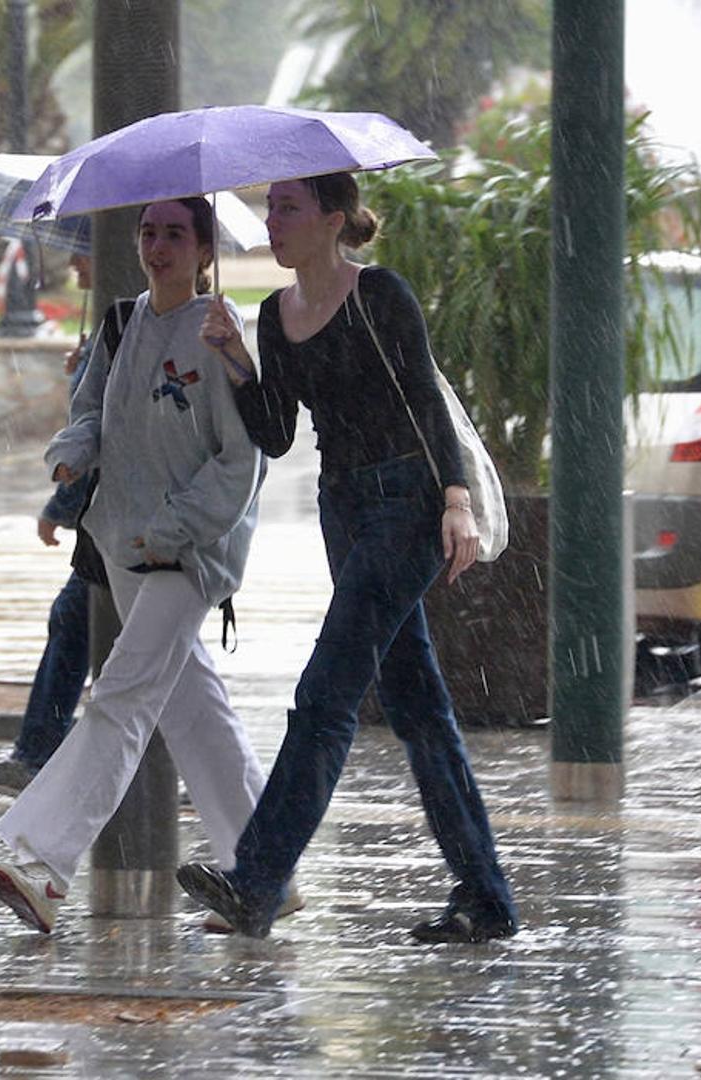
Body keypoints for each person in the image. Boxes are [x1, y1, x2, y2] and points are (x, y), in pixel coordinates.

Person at [175, 172, 519, 944]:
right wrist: (235, 359)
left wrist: (455, 502)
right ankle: (486, 897)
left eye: (288, 207)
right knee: (418, 707)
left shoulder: (381, 294)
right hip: (344, 507)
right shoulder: (274, 312)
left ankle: (257, 881)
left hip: (409, 504)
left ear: (333, 219)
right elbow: (276, 432)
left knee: (325, 695)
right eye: (270, 208)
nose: (273, 220)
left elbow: (426, 402)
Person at [0, 198, 273, 933]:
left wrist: (174, 530)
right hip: (122, 547)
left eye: (176, 232)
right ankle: (269, 867)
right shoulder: (119, 322)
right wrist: (70, 454)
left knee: (121, 698)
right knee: (194, 712)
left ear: (205, 246)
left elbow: (242, 463)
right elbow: (90, 414)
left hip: (189, 555)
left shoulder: (223, 334)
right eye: (149, 231)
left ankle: (41, 865)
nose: (158, 245)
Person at [0, 251, 103, 797]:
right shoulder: (109, 330)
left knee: (77, 623)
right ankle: (45, 754)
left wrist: (61, 506)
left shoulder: (131, 329)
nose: (74, 260)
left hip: (119, 525)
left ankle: (41, 756)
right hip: (112, 525)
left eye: (84, 248)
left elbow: (101, 430)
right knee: (159, 659)